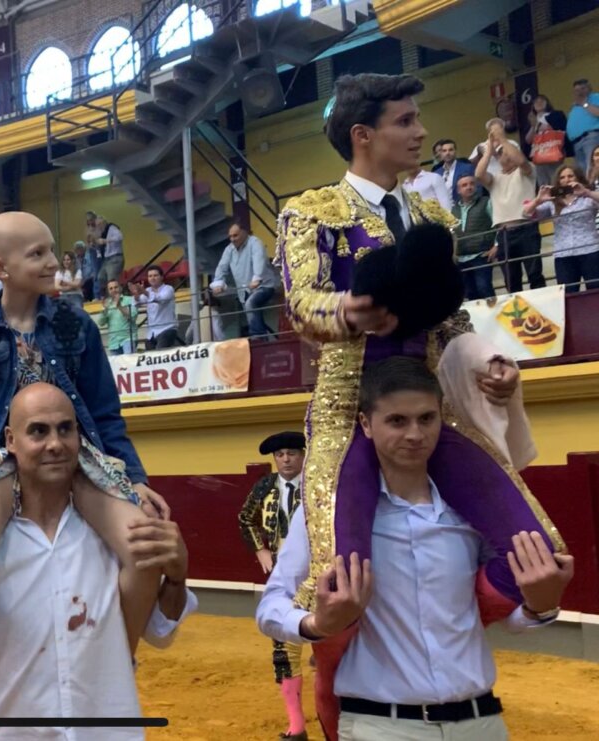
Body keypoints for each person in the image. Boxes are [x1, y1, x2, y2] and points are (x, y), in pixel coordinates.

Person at [275, 73, 565, 738]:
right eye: (406, 121)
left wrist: (485, 361)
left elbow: (449, 321)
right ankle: (332, 704)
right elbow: (301, 303)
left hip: (426, 405)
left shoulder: (433, 216)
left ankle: (448, 632)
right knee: (335, 578)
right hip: (350, 413)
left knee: (537, 545)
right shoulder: (312, 209)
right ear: (364, 134)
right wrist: (344, 310)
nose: (420, 132)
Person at [258, 358, 573, 741]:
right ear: (365, 425)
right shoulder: (331, 515)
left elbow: (487, 620)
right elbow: (271, 606)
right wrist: (316, 625)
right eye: (397, 421)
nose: (414, 434)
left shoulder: (470, 515)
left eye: (427, 419)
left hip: (481, 723)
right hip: (381, 726)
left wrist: (540, 607)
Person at [0, 211, 171, 661]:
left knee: (145, 548)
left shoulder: (77, 325)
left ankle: (117, 660)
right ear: (1, 269)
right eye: (38, 254)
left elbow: (105, 415)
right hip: (2, 462)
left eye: (51, 250)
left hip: (77, 456)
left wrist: (136, 479)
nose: (52, 263)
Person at [0, 383, 195, 737]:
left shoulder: (114, 538)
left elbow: (162, 635)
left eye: (65, 429)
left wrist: (177, 580)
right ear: (10, 440)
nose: (55, 444)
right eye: (39, 431)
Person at [238, 431, 308, 741]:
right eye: (280, 454)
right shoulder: (265, 485)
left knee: (332, 645)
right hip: (283, 574)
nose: (286, 459)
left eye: (292, 452)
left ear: (303, 455)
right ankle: (297, 727)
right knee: (283, 648)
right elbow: (244, 518)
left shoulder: (315, 483)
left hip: (322, 571)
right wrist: (261, 550)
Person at [475, 119, 545, 293]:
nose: (502, 155)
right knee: (511, 281)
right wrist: (489, 150)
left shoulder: (527, 171)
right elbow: (478, 175)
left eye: (504, 152)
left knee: (534, 274)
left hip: (526, 228)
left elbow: (521, 161)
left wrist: (503, 139)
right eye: (499, 154)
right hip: (504, 233)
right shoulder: (495, 178)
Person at [523, 164, 599, 293]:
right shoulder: (553, 201)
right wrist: (538, 200)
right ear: (558, 181)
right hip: (564, 254)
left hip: (590, 251)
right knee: (568, 294)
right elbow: (526, 214)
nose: (567, 179)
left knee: (595, 292)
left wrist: (586, 192)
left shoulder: (588, 197)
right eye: (562, 177)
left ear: (578, 177)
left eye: (570, 176)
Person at [211, 223, 280, 340]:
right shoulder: (229, 250)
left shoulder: (255, 243)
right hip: (245, 291)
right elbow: (222, 267)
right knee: (253, 314)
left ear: (244, 233)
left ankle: (257, 337)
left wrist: (257, 278)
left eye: (235, 235)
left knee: (250, 304)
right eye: (230, 236)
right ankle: (263, 341)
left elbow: (259, 261)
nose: (232, 239)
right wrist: (218, 282)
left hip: (264, 286)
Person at [452, 175, 498, 300]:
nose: (469, 187)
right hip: (461, 258)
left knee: (484, 288)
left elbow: (497, 223)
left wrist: (496, 246)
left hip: (481, 254)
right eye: (464, 185)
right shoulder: (453, 210)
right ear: (458, 190)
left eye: (472, 184)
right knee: (469, 293)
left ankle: (492, 318)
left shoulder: (486, 202)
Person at [132, 265, 183, 349]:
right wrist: (136, 294)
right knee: (150, 358)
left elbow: (160, 299)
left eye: (155, 275)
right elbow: (137, 302)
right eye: (150, 276)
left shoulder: (168, 289)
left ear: (162, 277)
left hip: (167, 329)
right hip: (151, 333)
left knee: (160, 354)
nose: (152, 278)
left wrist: (144, 292)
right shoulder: (148, 290)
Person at [527, 95, 568, 187]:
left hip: (553, 150)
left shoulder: (555, 114)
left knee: (556, 177)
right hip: (539, 153)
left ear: (547, 103)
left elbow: (555, 130)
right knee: (543, 181)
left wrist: (537, 124)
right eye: (536, 102)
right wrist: (534, 125)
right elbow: (528, 139)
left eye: (542, 101)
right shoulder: (534, 119)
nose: (539, 103)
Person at [96, 278, 137, 355]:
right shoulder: (107, 304)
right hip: (113, 342)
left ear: (120, 288)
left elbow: (133, 316)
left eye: (116, 287)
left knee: (129, 364)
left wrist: (119, 306)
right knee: (115, 367)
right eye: (111, 288)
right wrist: (105, 309)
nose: (114, 290)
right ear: (108, 291)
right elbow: (100, 323)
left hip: (128, 339)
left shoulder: (129, 299)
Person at [567, 78, 599, 177]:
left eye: (582, 88)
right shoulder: (575, 106)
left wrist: (584, 104)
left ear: (589, 88)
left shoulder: (595, 97)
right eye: (577, 90)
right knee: (581, 172)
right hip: (577, 143)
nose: (580, 92)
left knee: (592, 166)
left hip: (590, 137)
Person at [431, 138, 475, 204]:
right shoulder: (436, 173)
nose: (447, 153)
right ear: (441, 154)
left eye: (450, 150)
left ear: (455, 151)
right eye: (444, 151)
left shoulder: (467, 168)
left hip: (461, 207)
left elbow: (477, 188)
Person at [94, 214, 125, 288]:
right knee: (101, 277)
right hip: (106, 259)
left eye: (100, 224)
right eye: (97, 225)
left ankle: (115, 297)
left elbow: (120, 237)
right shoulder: (101, 233)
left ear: (104, 223)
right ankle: (106, 296)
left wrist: (106, 241)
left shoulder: (112, 228)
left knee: (112, 280)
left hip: (115, 257)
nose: (98, 226)